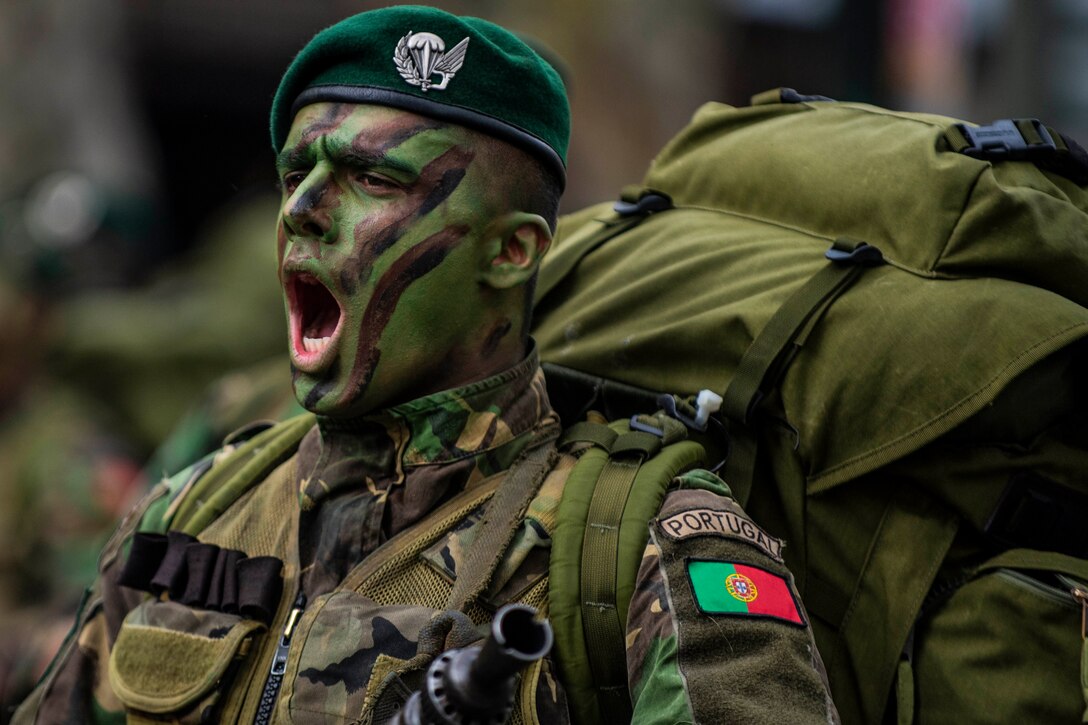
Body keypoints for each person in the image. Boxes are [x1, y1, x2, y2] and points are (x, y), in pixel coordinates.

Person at [14, 7, 838, 723]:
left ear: (512, 251)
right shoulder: (194, 509)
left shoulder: (641, 549)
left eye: (374, 178)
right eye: (297, 172)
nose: (300, 210)